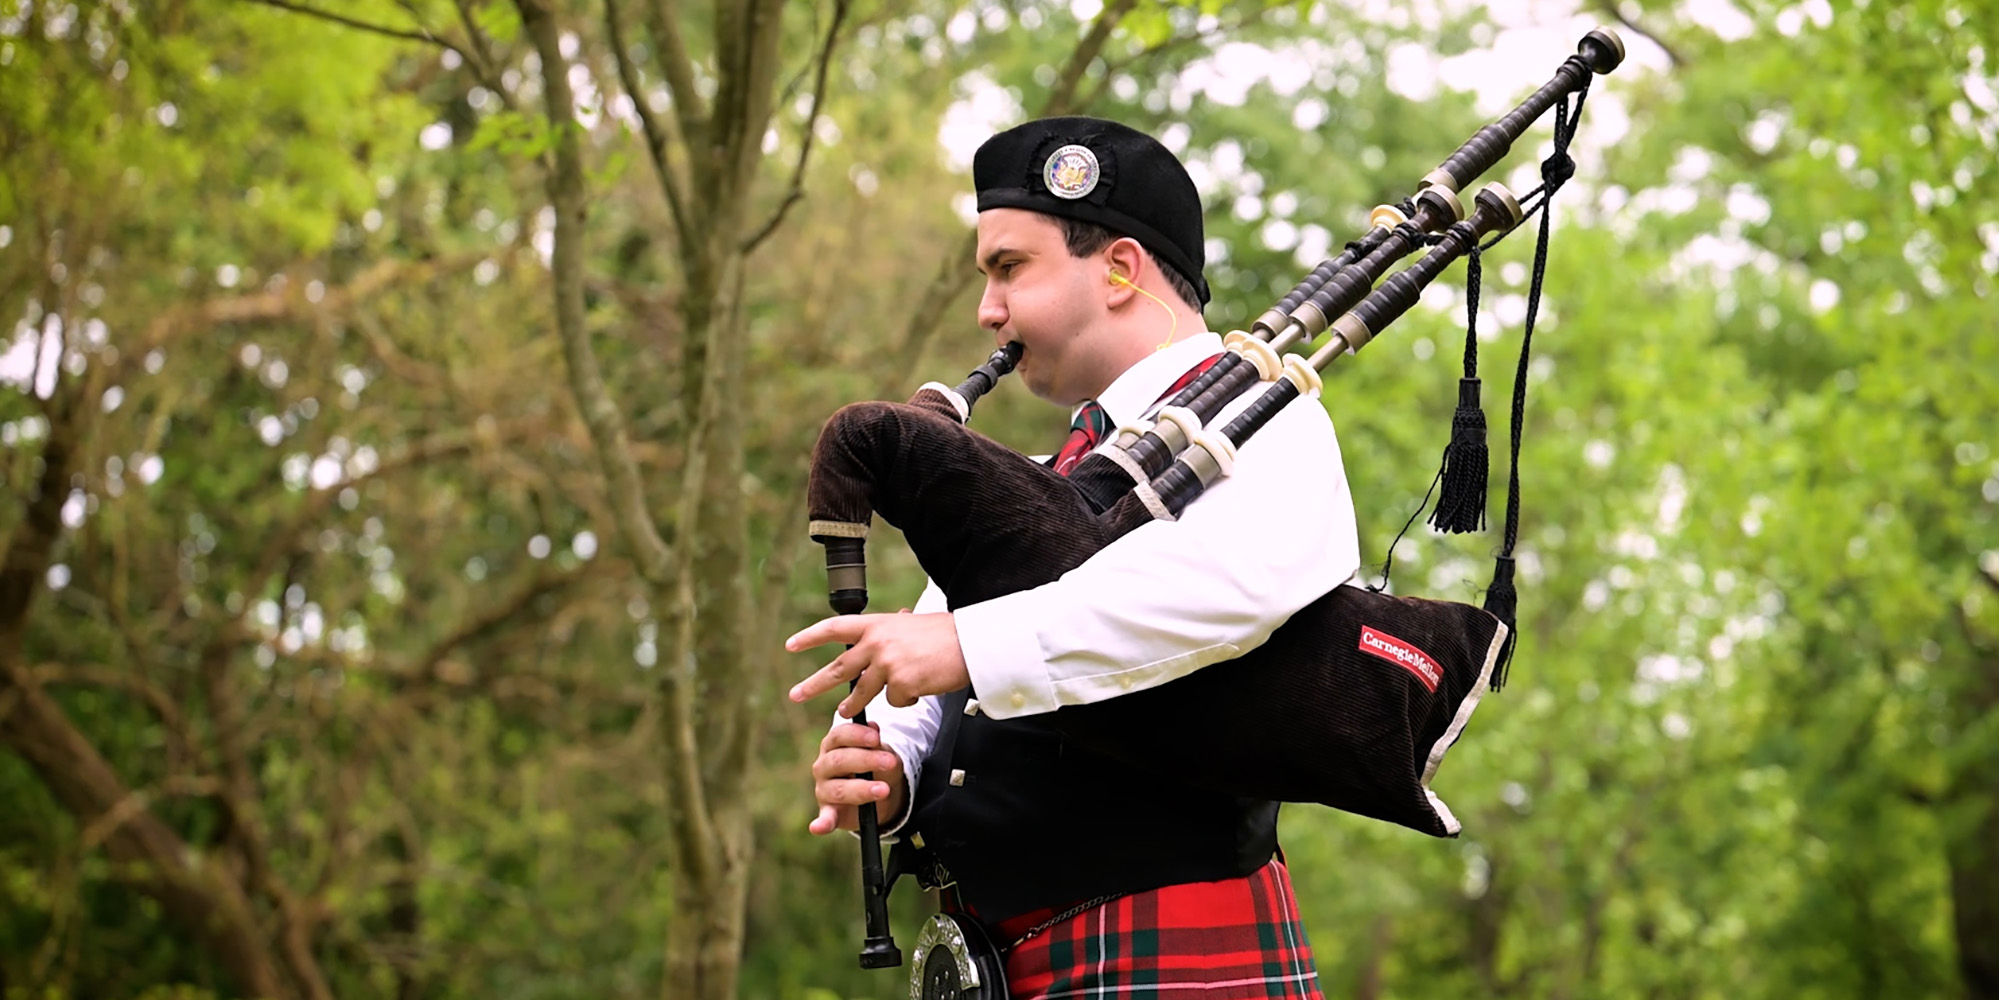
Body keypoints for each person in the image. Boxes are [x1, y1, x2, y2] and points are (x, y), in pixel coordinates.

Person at [787, 116, 1360, 998]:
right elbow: (948, 632)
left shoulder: (1270, 421)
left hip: (1166, 949)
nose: (987, 311)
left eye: (1009, 268)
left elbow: (1223, 590)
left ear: (1121, 270)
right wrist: (893, 763)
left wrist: (965, 650)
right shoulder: (1050, 475)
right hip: (1009, 962)